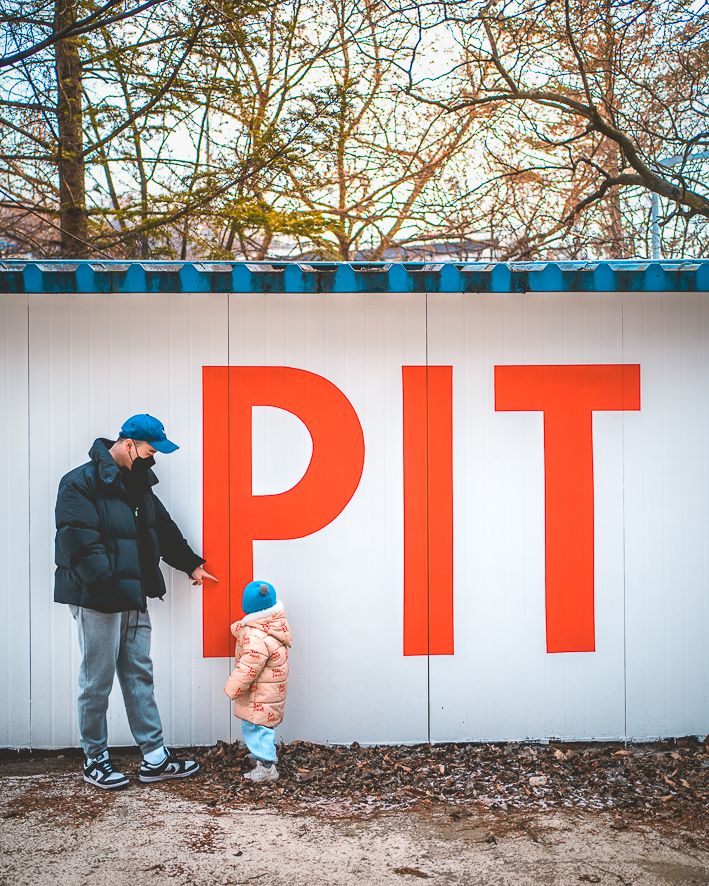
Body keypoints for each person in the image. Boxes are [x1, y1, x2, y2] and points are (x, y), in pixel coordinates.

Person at [54, 413, 217, 790]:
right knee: (97, 681)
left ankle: (154, 757)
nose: (153, 458)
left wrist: (191, 565)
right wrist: (109, 584)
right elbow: (79, 542)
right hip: (98, 598)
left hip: (133, 595)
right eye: (149, 450)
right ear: (128, 445)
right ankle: (95, 759)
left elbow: (162, 528)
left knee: (138, 675)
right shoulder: (80, 483)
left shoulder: (138, 483)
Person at [224, 580, 292, 783]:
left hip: (259, 693)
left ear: (248, 607)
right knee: (262, 727)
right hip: (268, 690)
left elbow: (249, 666)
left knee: (256, 727)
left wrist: (233, 687)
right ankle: (262, 756)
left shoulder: (255, 635)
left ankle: (267, 766)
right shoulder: (273, 626)